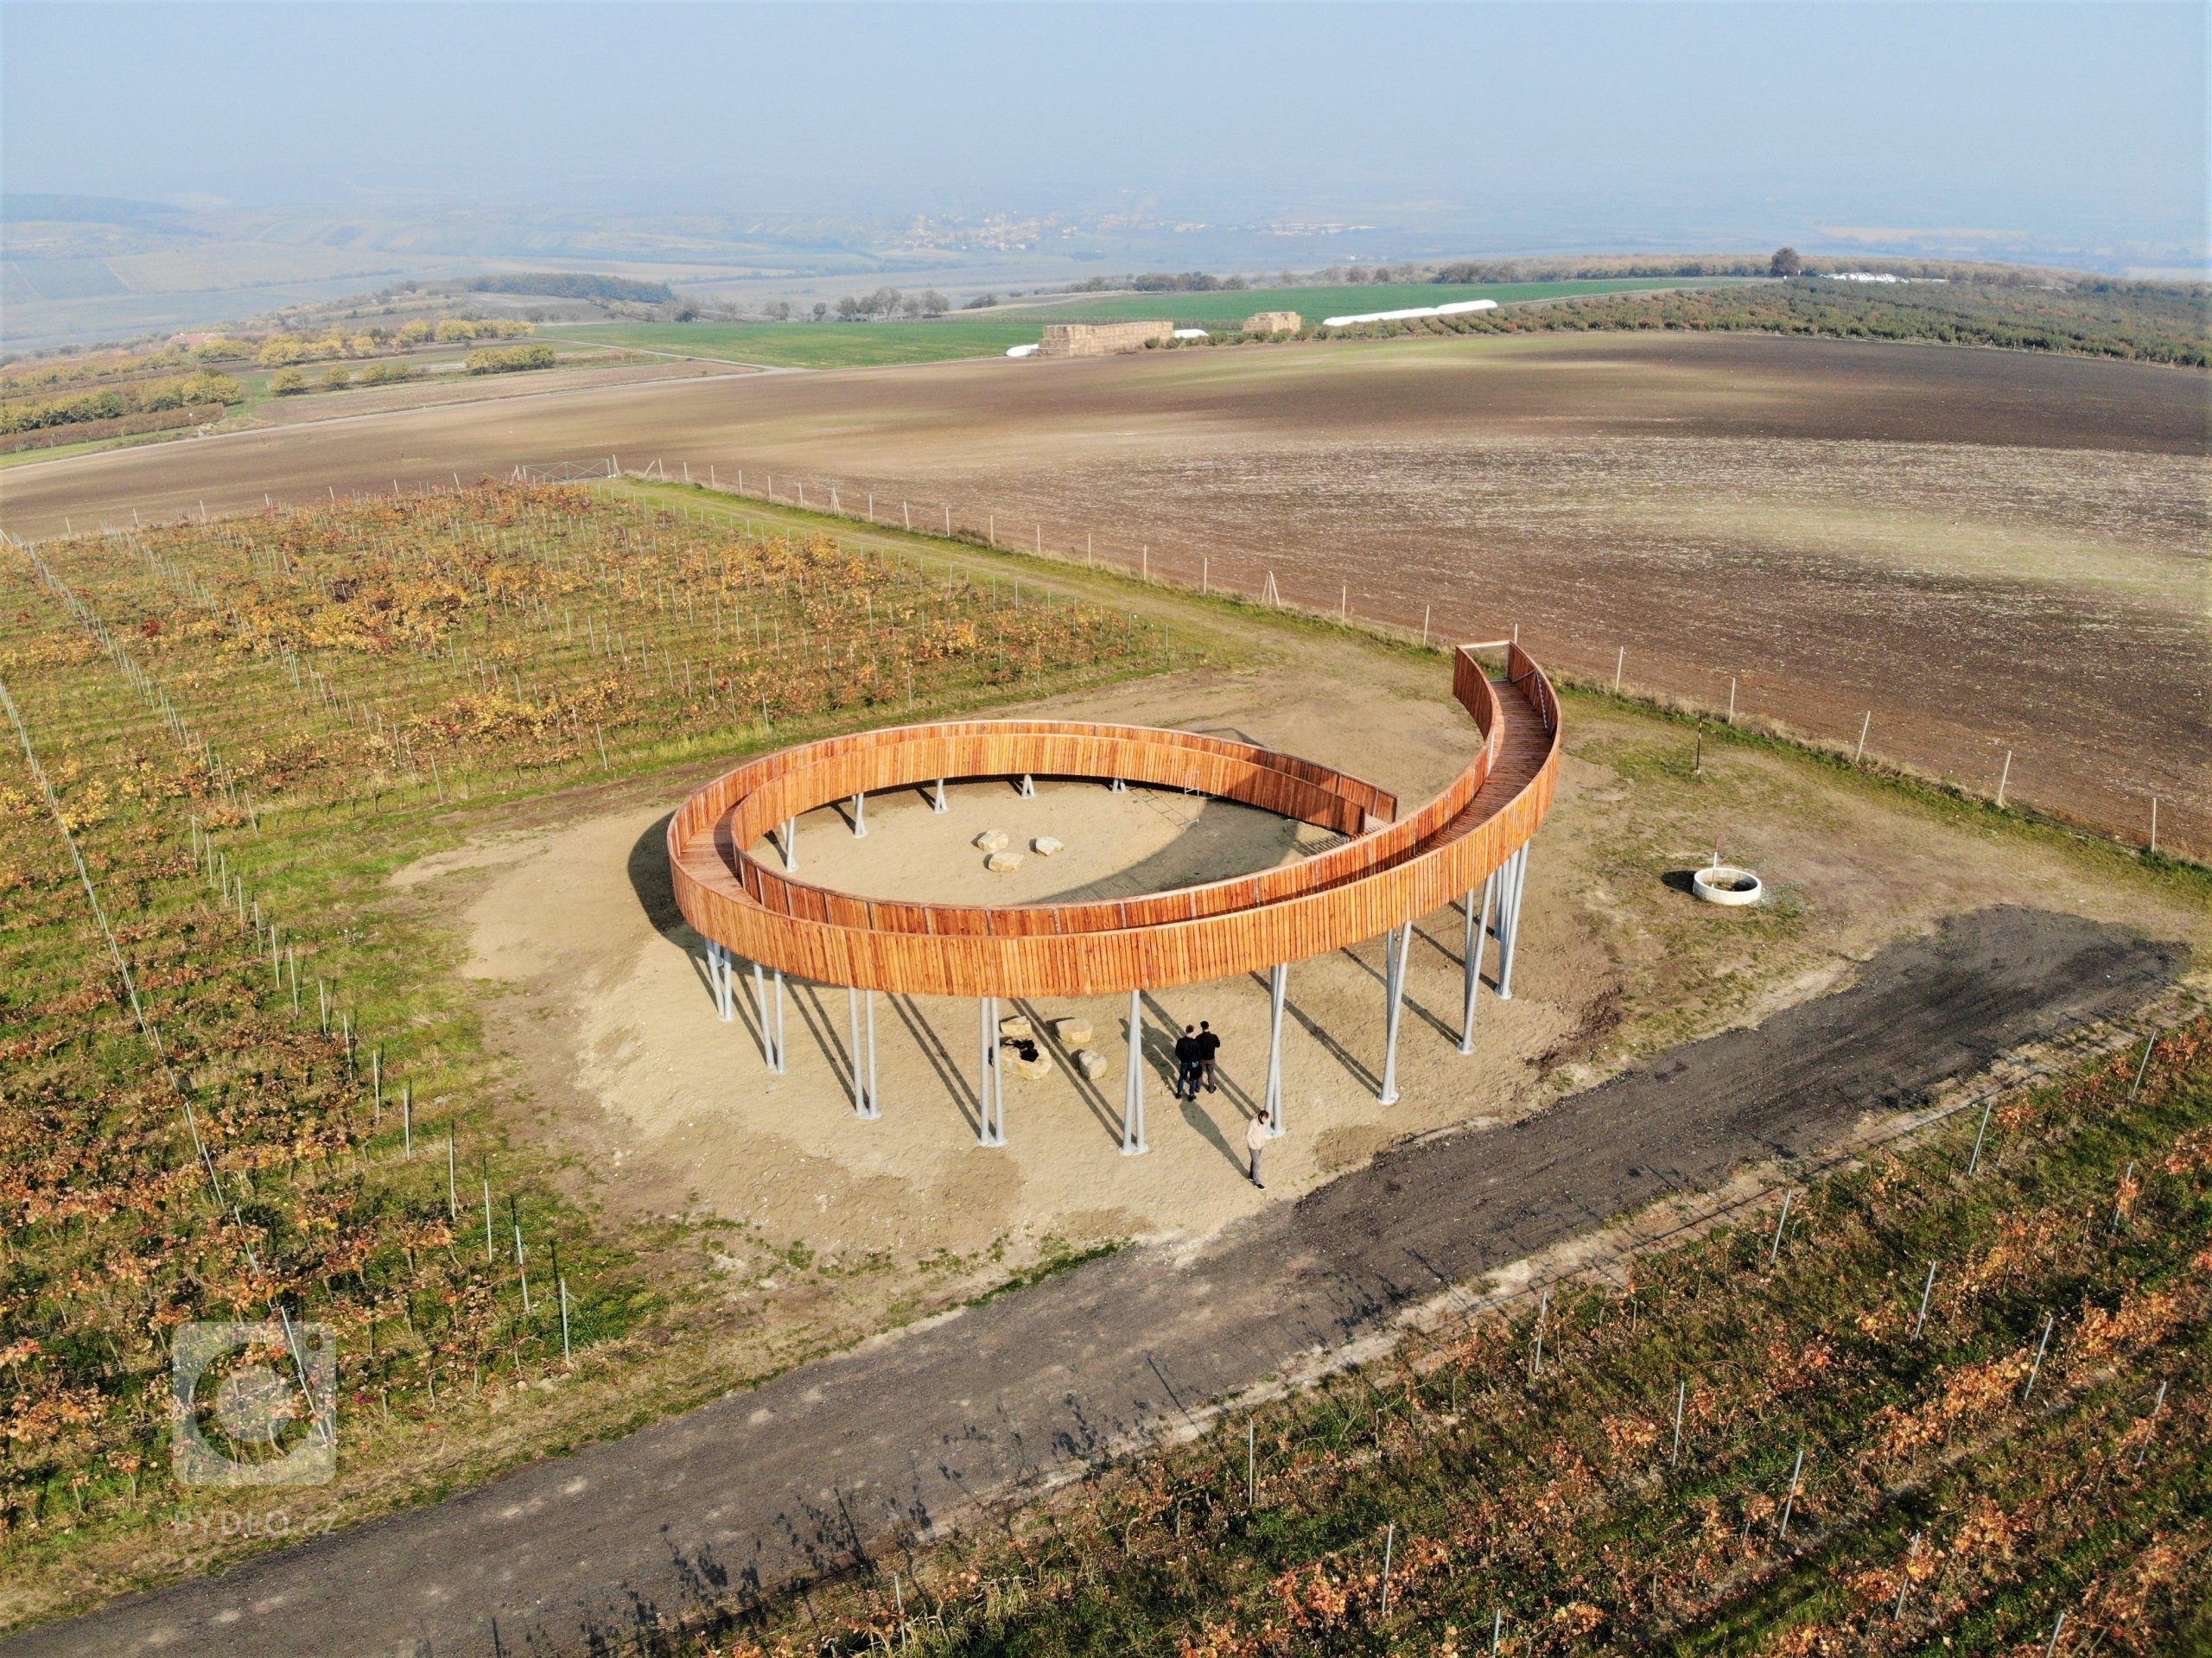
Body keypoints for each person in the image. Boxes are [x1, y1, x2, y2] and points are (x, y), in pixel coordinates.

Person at [1173, 1025, 1202, 1101]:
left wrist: (1182, 1058)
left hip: (1184, 1062)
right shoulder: (1195, 1043)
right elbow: (1199, 1054)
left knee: (1182, 1077)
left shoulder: (1180, 1041)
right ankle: (1191, 1095)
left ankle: (1179, 1093)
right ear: (1192, 1032)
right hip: (1193, 1063)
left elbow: (1177, 1052)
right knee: (1193, 1079)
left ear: (1186, 1031)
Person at [1245, 1109, 1271, 1187]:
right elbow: (1247, 1135)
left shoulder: (1263, 1123)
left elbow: (1262, 1133)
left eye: (1266, 1119)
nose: (1265, 1120)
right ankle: (1257, 1182)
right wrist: (1252, 1145)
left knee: (1255, 1161)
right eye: (1264, 1118)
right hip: (1254, 1147)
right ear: (1260, 1116)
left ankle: (1251, 1175)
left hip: (1260, 1145)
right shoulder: (1253, 1123)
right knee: (1257, 1163)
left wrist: (1263, 1142)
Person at [1194, 1020, 1222, 1094]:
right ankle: (1211, 1088)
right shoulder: (1214, 1037)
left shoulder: (1198, 1037)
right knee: (1211, 1073)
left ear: (1202, 1028)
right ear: (1208, 1027)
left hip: (1201, 1059)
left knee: (1200, 1073)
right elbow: (1218, 1045)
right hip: (1211, 1058)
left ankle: (1197, 1088)